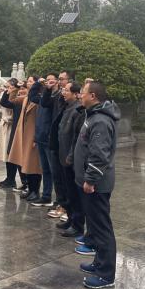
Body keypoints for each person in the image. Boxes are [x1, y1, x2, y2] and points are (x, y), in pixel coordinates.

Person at [74, 80, 120, 288]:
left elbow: (99, 155)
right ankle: (99, 263)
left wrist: (90, 179)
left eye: (83, 92)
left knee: (102, 228)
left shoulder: (100, 120)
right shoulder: (93, 115)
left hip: (97, 184)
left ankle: (106, 274)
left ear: (93, 96)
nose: (80, 95)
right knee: (95, 225)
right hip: (91, 182)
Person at [5, 77, 42, 200]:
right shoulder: (25, 98)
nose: (29, 83)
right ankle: (30, 189)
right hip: (24, 134)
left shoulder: (39, 99)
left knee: (34, 165)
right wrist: (15, 88)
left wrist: (36, 137)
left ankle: (35, 191)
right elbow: (11, 100)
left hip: (33, 135)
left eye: (31, 81)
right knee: (26, 164)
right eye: (28, 81)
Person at [57, 82, 85, 238]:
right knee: (67, 192)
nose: (63, 92)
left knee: (74, 194)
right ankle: (70, 218)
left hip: (70, 159)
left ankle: (77, 225)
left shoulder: (78, 111)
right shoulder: (67, 107)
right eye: (63, 90)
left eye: (66, 90)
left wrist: (71, 156)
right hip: (63, 156)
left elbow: (76, 138)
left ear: (76, 94)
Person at [45, 71, 72, 219]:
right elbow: (45, 103)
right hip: (55, 141)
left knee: (65, 178)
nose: (59, 82)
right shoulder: (58, 97)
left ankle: (68, 208)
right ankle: (61, 204)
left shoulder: (74, 105)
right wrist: (48, 89)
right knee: (57, 176)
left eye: (62, 79)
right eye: (59, 79)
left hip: (65, 145)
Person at [29, 74, 57, 207]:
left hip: (49, 138)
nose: (49, 82)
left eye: (52, 80)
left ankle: (59, 200)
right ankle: (46, 196)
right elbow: (32, 96)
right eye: (47, 80)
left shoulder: (56, 98)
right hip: (40, 137)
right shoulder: (43, 97)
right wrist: (37, 84)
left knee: (53, 170)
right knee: (45, 169)